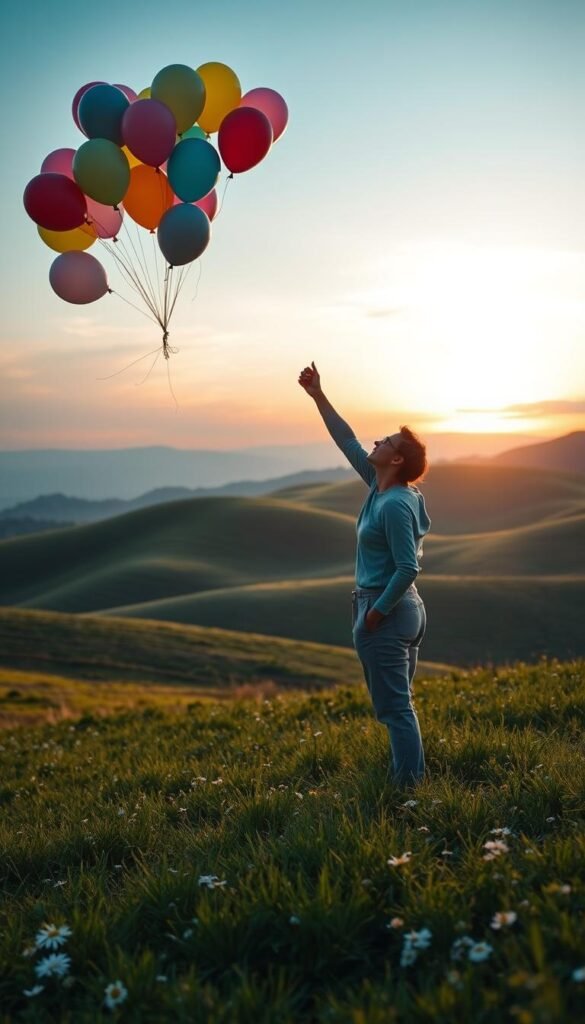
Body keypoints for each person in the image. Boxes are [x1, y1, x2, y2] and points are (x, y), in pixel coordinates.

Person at [298, 360, 431, 790]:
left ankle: (406, 793)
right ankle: (405, 780)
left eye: (386, 440)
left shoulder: (392, 503)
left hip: (385, 609)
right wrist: (319, 395)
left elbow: (408, 566)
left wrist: (374, 614)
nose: (376, 440)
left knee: (395, 710)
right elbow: (347, 439)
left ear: (395, 458)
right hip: (404, 611)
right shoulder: (387, 488)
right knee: (399, 705)